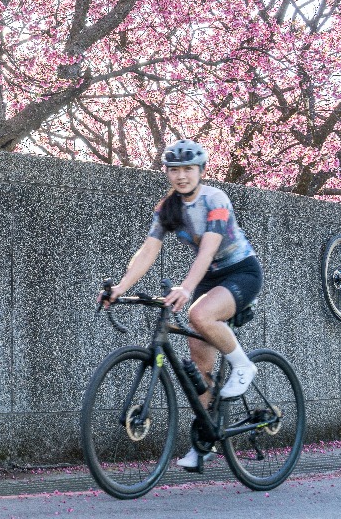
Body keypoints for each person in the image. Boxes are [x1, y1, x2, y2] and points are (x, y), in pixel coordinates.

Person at [103, 139, 263, 471]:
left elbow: (208, 250)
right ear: (167, 173)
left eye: (189, 169)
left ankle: (244, 366)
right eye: (174, 170)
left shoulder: (215, 199)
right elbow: (148, 251)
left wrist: (187, 288)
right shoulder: (167, 208)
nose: (181, 176)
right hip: (208, 278)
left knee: (199, 314)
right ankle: (205, 440)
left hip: (241, 272)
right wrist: (120, 287)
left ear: (201, 171)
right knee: (199, 367)